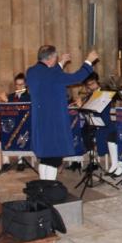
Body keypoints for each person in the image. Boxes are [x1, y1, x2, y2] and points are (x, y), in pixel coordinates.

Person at [26, 45, 98, 180]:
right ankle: (50, 186)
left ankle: (43, 185)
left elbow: (48, 76)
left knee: (45, 157)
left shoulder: (31, 72)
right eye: (56, 57)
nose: (56, 59)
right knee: (54, 157)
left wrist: (61, 63)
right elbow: (77, 77)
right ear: (50, 58)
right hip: (53, 122)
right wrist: (89, 61)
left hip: (40, 121)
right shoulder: (53, 74)